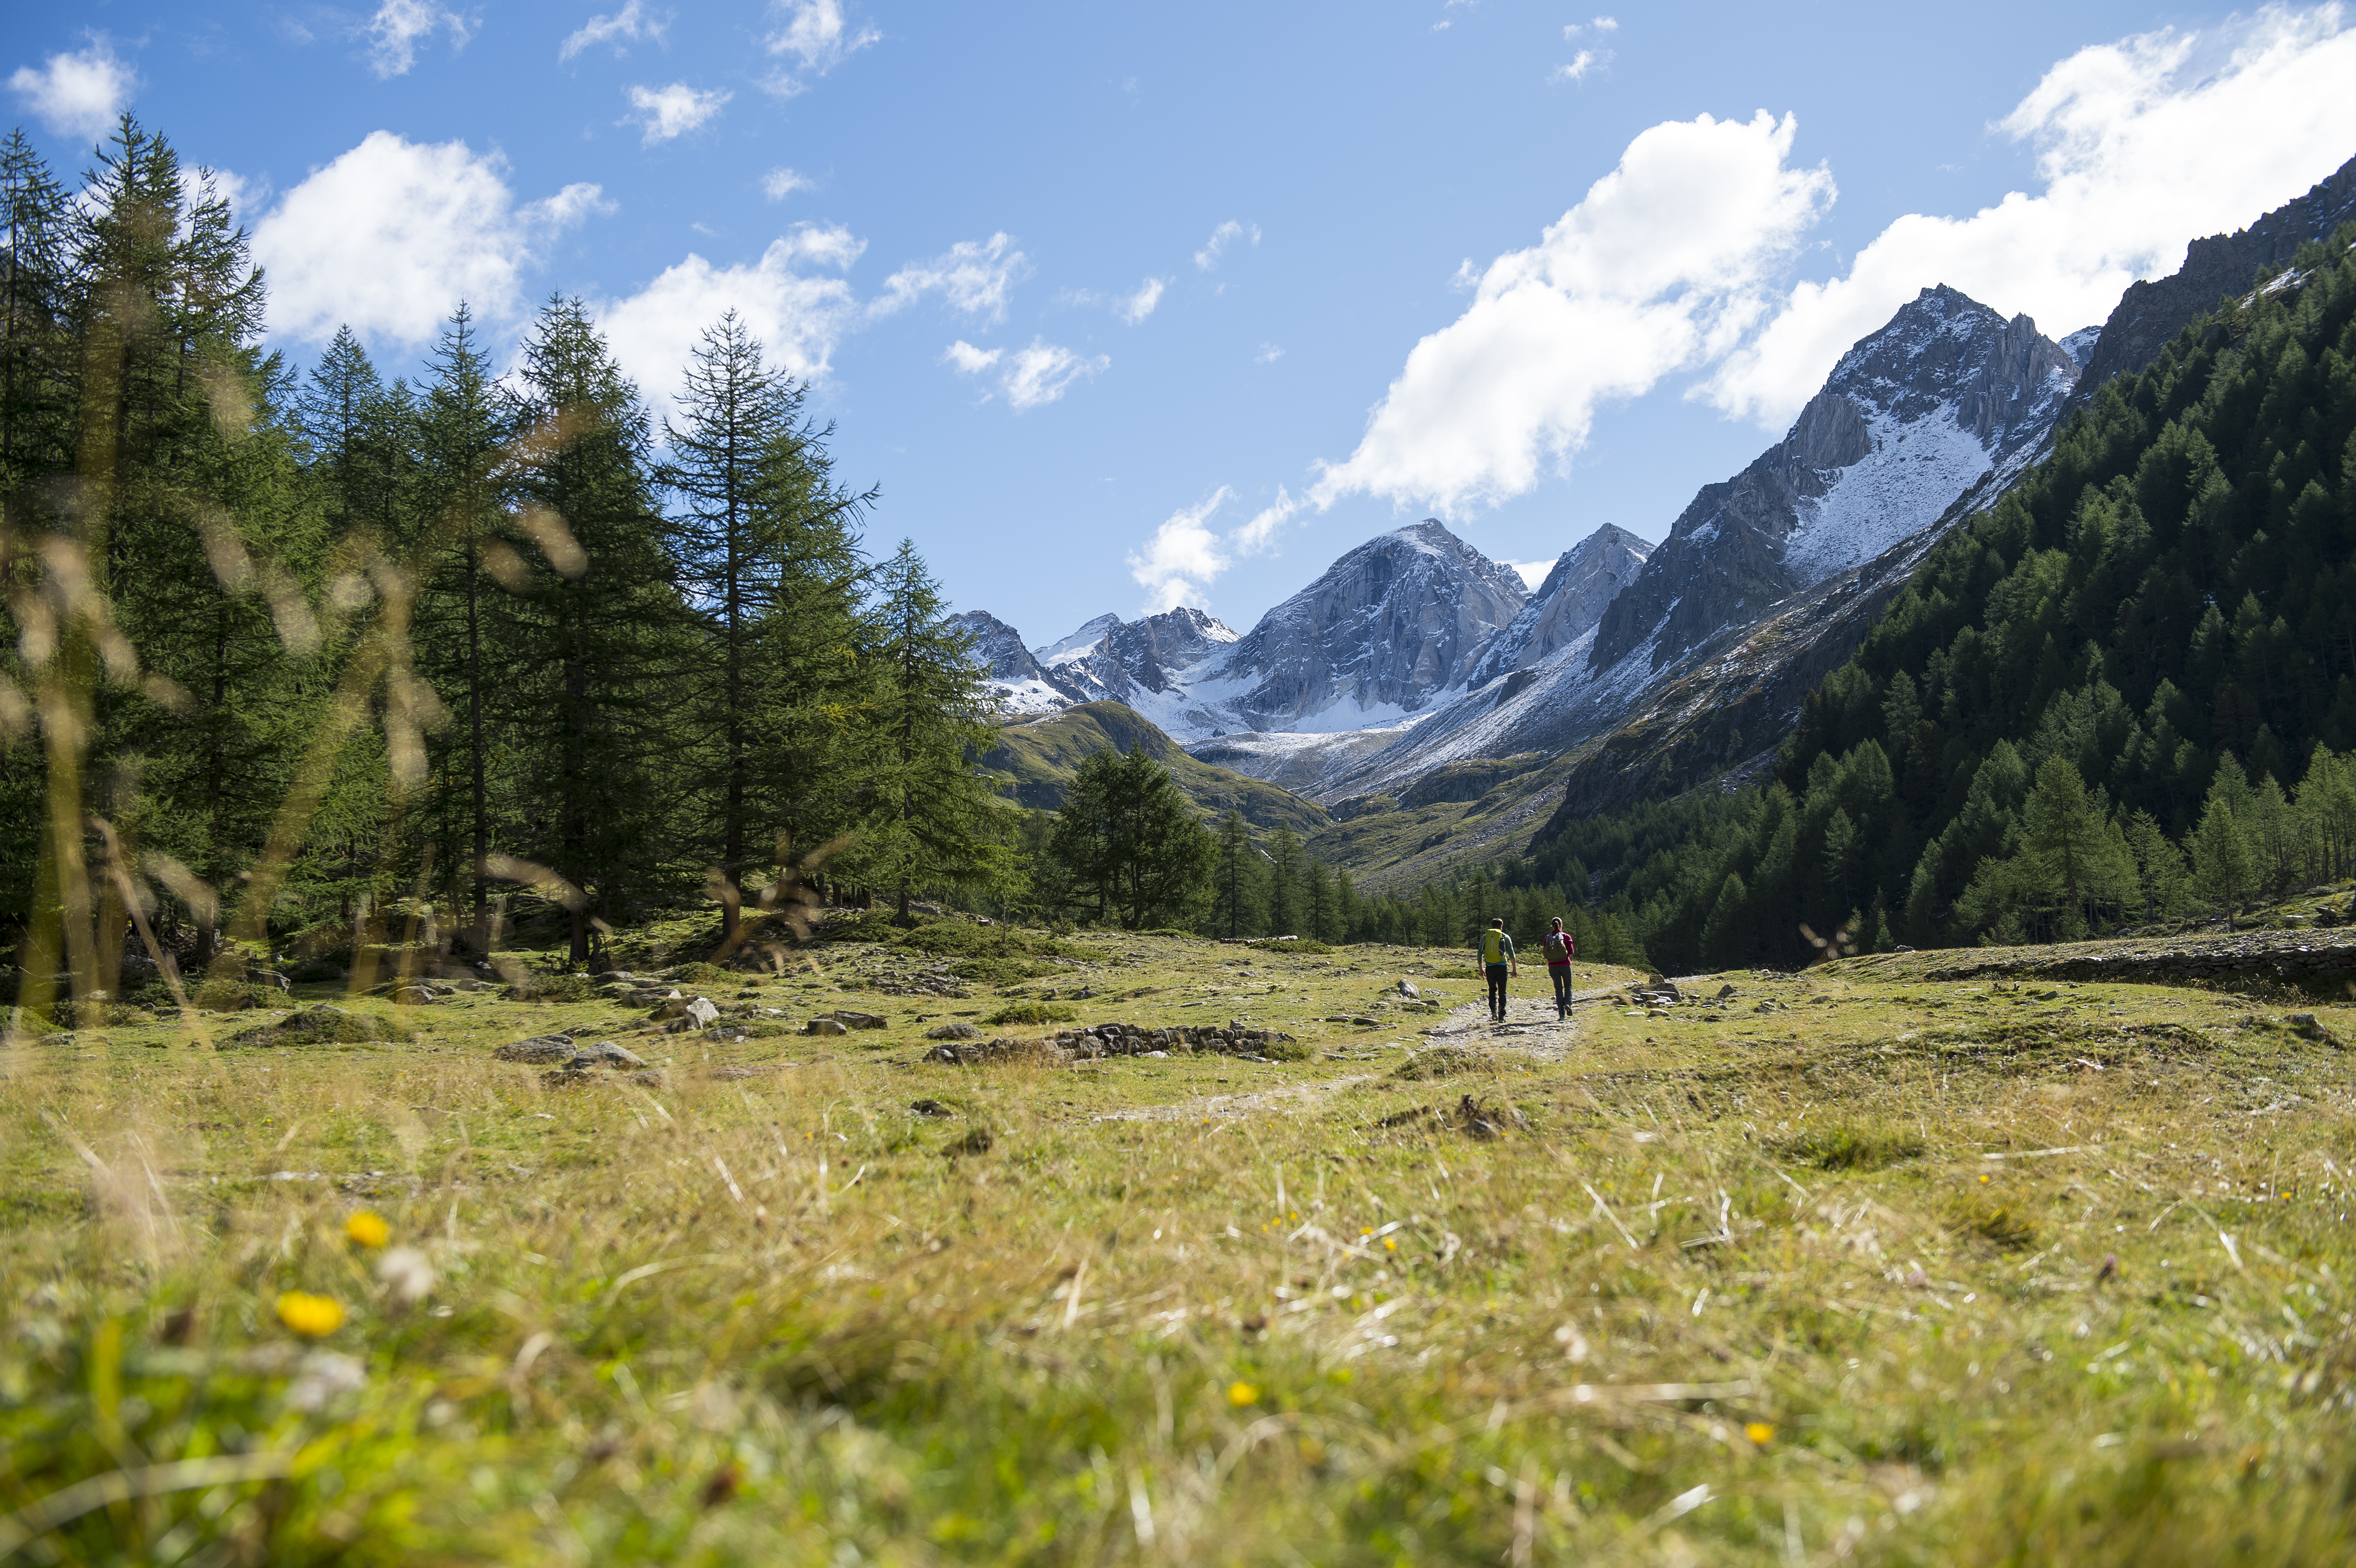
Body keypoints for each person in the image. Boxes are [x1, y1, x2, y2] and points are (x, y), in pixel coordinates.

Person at [1477, 917, 1516, 1022]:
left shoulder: (1485, 938)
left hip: (1490, 967)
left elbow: (1480, 953)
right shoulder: (1505, 937)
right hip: (1502, 966)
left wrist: (1481, 969)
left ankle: (1493, 1010)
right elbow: (1511, 953)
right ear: (1501, 927)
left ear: (1491, 926)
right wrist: (1514, 969)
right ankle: (1502, 1015)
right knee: (1502, 991)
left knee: (1492, 990)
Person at [1541, 916, 1575, 1019]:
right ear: (1561, 925)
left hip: (1552, 966)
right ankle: (1568, 1003)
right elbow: (1571, 952)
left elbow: (1545, 953)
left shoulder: (1547, 938)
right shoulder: (1566, 937)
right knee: (1568, 986)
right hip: (1565, 965)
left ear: (1552, 925)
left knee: (1558, 989)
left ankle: (1561, 1015)